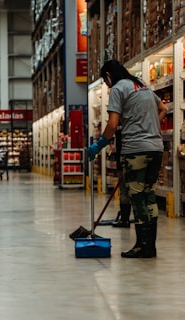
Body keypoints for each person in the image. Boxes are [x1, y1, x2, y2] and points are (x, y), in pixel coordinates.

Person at [88, 60, 168, 258]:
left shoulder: (118, 88)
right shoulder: (142, 85)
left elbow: (113, 124)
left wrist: (99, 145)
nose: (107, 85)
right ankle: (151, 246)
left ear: (108, 75)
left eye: (105, 81)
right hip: (156, 149)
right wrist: (151, 129)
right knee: (149, 195)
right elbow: (163, 109)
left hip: (136, 151)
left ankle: (142, 245)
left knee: (137, 196)